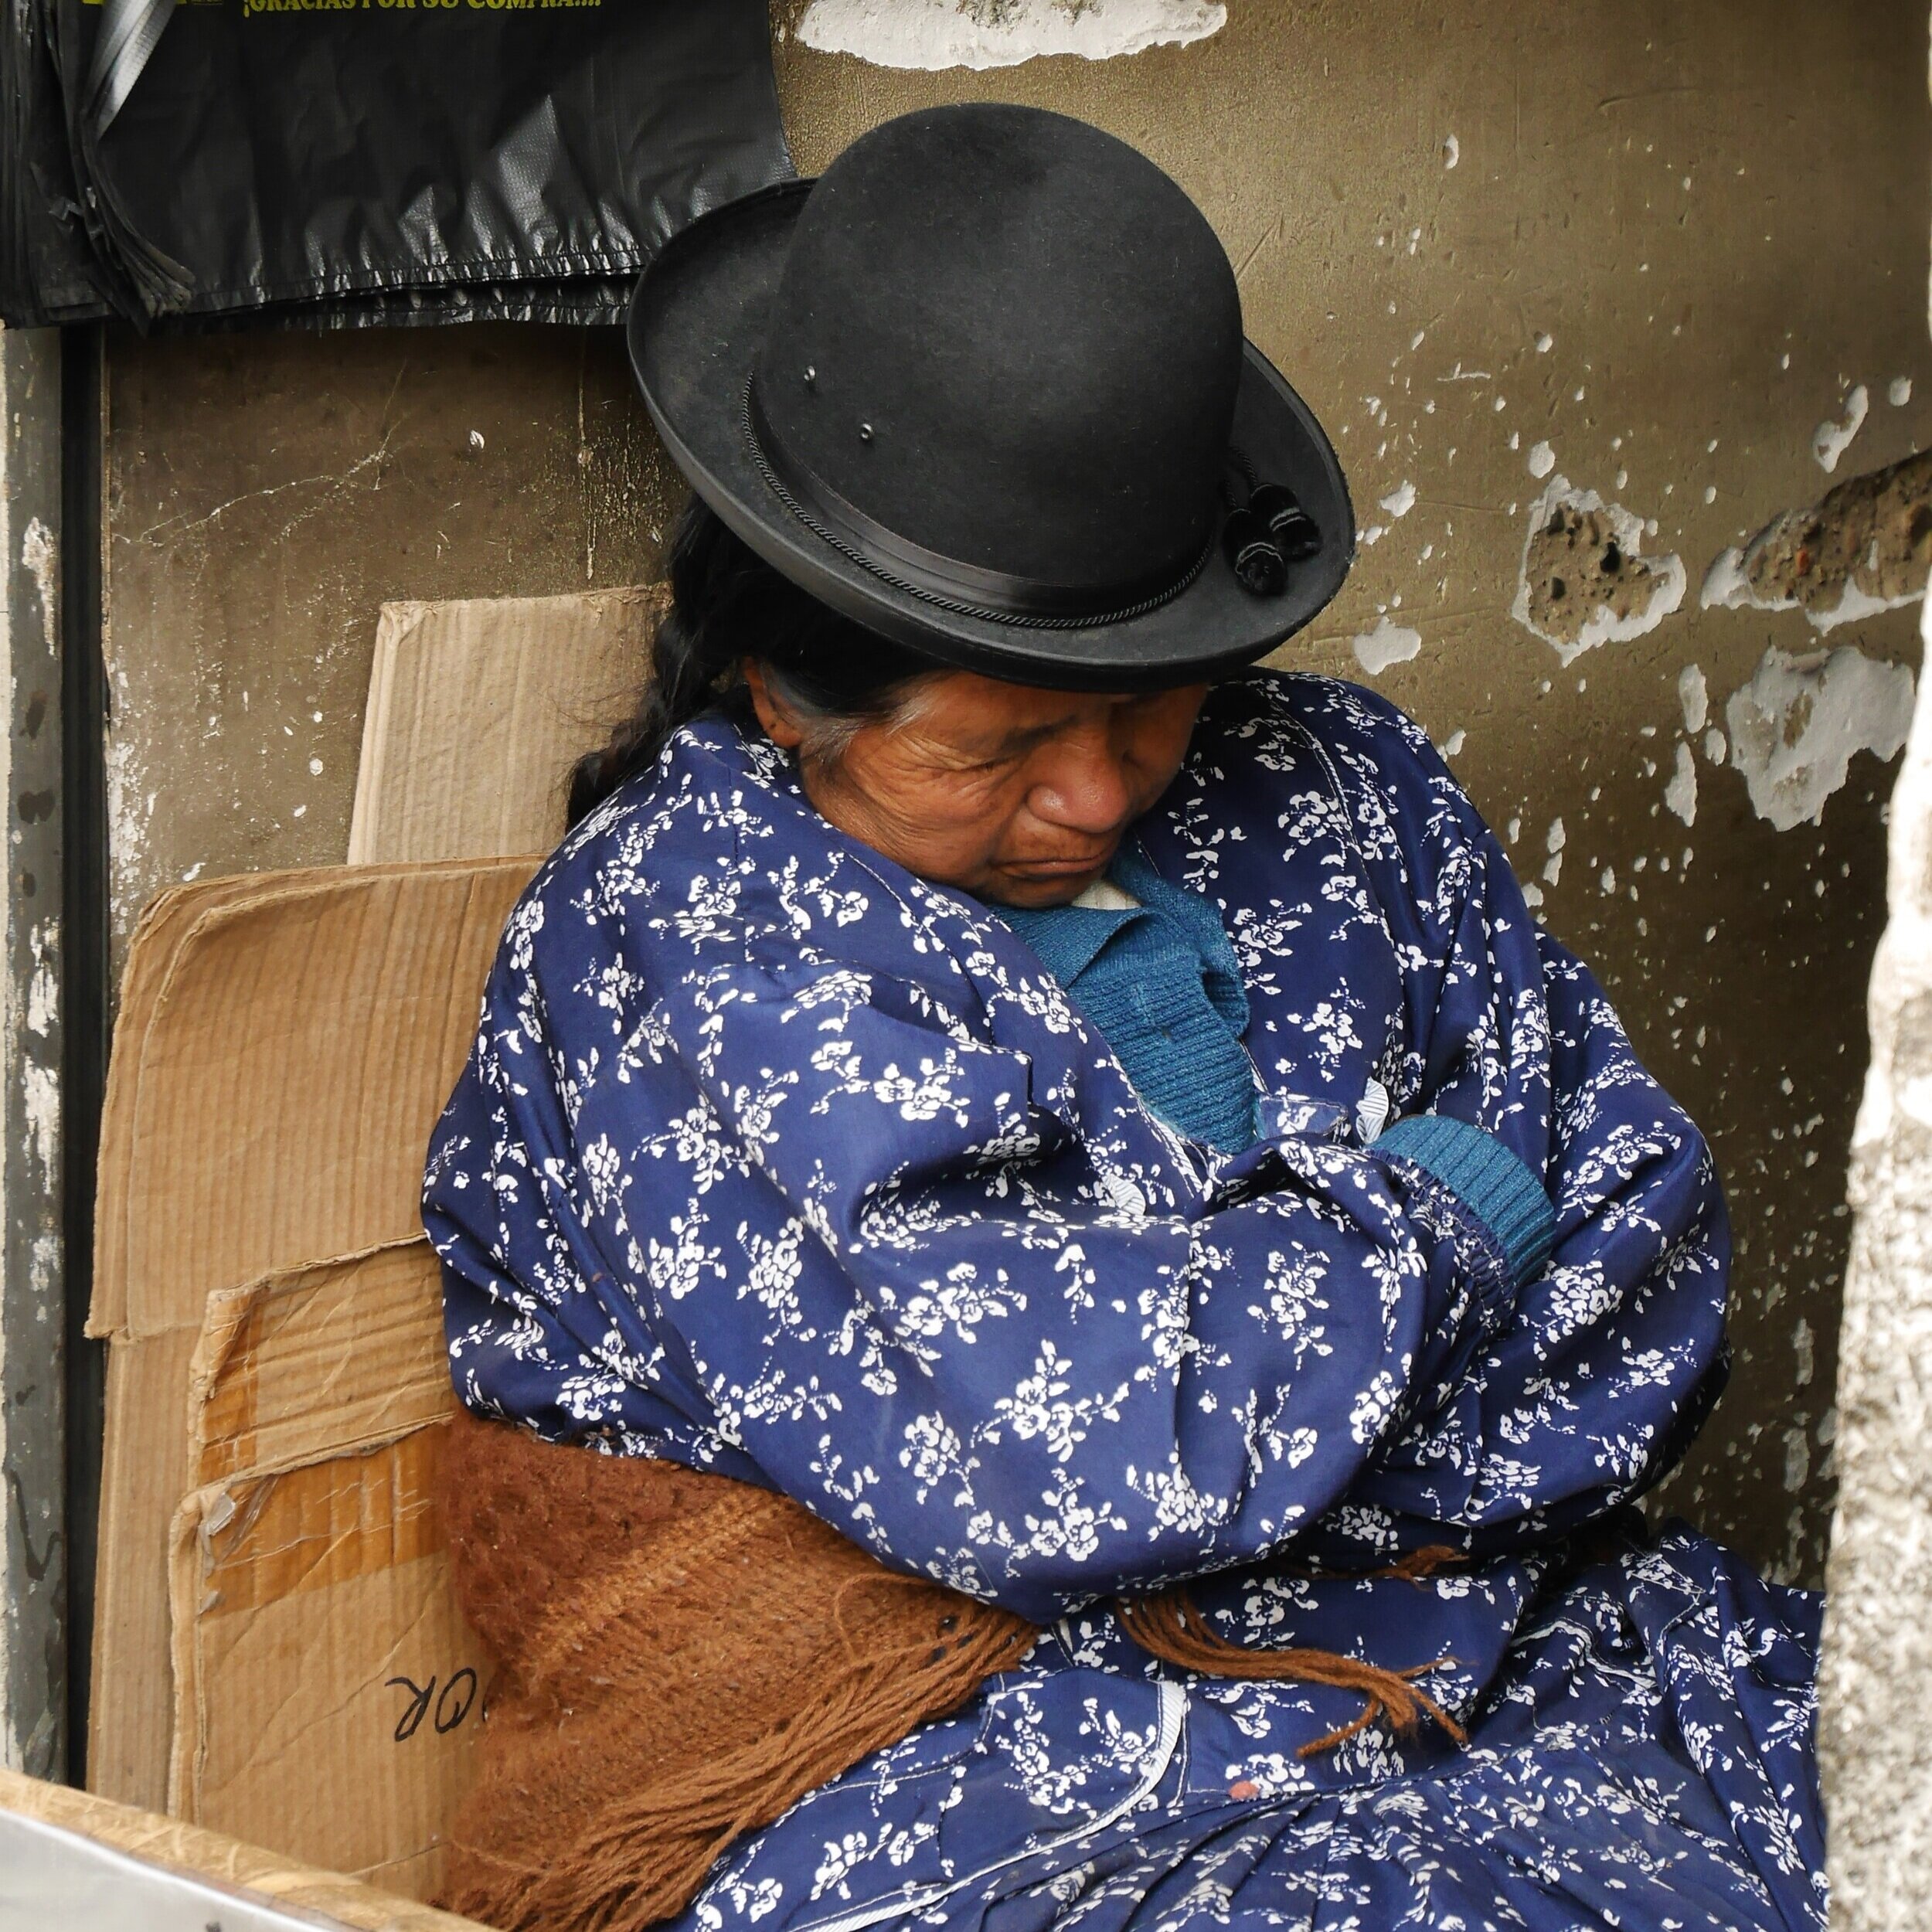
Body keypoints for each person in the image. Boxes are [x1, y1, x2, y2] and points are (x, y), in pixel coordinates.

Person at [424, 104, 1824, 1932]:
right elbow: (1064, 1457)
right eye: (991, 747)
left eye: (1144, 700)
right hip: (992, 1775)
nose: (1091, 794)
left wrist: (1277, 1427)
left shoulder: (1345, 782)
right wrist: (1435, 1217)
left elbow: (1655, 1247)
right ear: (782, 687)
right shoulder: (685, 933)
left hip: (1493, 1647)